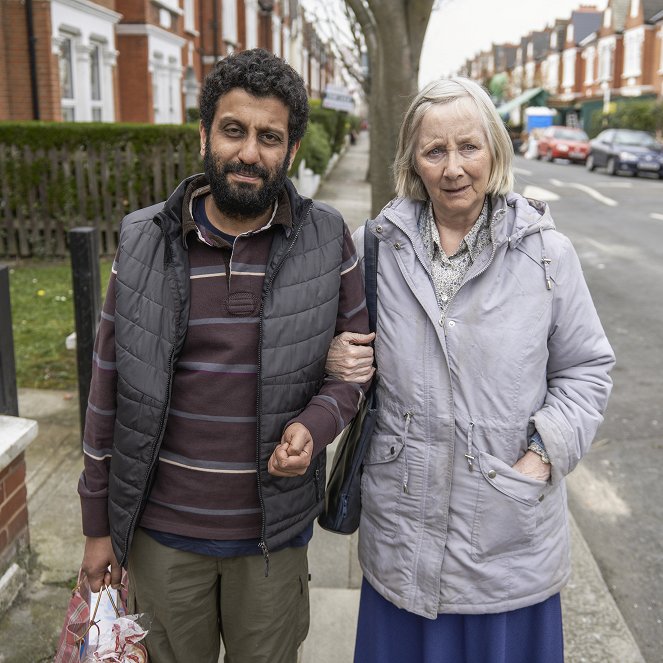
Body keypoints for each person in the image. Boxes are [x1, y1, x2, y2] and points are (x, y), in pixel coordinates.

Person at [77, 48, 370, 663]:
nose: (249, 153)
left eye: (270, 138)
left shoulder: (327, 239)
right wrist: (96, 526)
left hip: (272, 538)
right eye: (234, 131)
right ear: (204, 133)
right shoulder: (142, 241)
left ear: (290, 151)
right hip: (161, 537)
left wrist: (314, 429)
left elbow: (354, 372)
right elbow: (106, 391)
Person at [327, 77, 615, 663]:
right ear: (413, 161)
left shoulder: (545, 254)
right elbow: (336, 350)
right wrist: (336, 359)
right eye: (435, 151)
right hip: (403, 538)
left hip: (506, 540)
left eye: (469, 147)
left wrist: (541, 457)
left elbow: (586, 370)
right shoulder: (374, 247)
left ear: (495, 152)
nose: (454, 168)